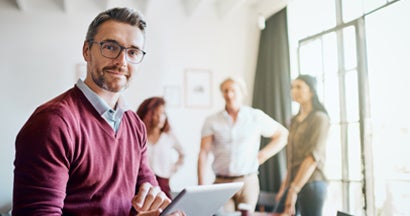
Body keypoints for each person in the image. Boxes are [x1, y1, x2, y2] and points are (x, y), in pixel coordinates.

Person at [13, 7, 183, 216]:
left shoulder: (135, 125)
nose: (122, 61)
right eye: (110, 47)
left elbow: (147, 190)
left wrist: (159, 207)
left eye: (132, 52)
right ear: (87, 51)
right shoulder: (53, 122)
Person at [197, 76, 289, 213]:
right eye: (225, 91)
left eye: (233, 90)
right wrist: (201, 186)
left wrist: (262, 155)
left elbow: (283, 135)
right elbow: (204, 152)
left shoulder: (255, 116)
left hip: (248, 182)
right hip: (221, 183)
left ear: (242, 92)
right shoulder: (212, 121)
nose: (229, 94)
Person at [273, 74, 330, 216]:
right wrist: (284, 187)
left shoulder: (320, 118)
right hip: (293, 183)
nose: (294, 90)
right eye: (292, 87)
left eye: (299, 87)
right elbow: (291, 159)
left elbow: (313, 157)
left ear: (311, 92)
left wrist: (294, 190)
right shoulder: (293, 121)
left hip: (312, 184)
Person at [137, 97, 185, 199]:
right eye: (156, 114)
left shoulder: (169, 136)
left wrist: (171, 170)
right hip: (141, 186)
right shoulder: (139, 135)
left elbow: (183, 153)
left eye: (162, 113)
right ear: (147, 115)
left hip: (163, 183)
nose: (160, 118)